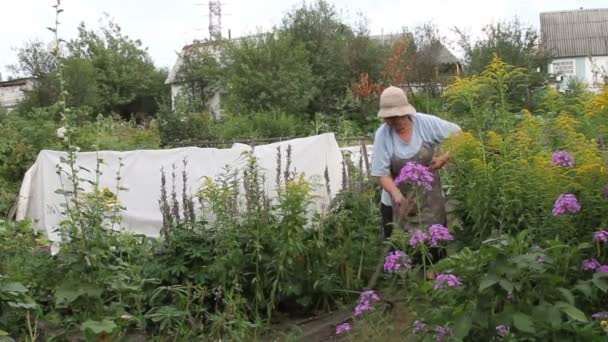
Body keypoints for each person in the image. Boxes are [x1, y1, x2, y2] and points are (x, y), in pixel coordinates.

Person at [371, 86, 461, 239]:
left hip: (430, 203)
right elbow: (382, 174)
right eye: (388, 117)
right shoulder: (383, 135)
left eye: (396, 117)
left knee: (433, 249)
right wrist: (397, 196)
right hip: (398, 204)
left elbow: (458, 134)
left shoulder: (425, 123)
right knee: (402, 250)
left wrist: (444, 158)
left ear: (405, 112)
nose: (391, 122)